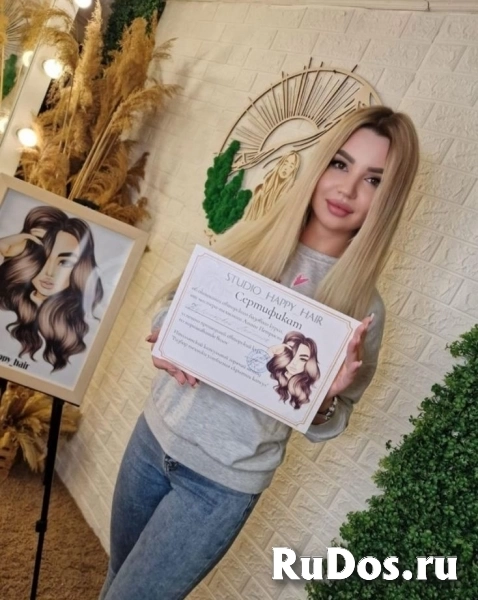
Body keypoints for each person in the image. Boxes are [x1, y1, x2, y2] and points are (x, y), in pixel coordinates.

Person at [99, 105, 419, 600]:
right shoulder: (253, 238)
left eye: (374, 179)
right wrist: (166, 336)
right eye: (340, 164)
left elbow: (333, 420)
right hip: (152, 438)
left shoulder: (363, 309)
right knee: (115, 579)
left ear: (389, 197)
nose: (347, 189)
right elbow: (174, 304)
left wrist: (322, 399)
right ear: (320, 167)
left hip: (219, 486)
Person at [0, 205, 103, 371]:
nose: (49, 272)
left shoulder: (77, 322)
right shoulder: (7, 304)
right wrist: (4, 245)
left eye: (64, 262)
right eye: (43, 257)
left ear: (79, 268)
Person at [267, 331, 320, 409]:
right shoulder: (274, 377)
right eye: (292, 355)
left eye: (302, 359)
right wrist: (272, 350)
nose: (294, 363)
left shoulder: (310, 388)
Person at [243, 151, 301, 221]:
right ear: (280, 164)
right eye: (285, 163)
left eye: (291, 166)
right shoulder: (261, 190)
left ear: (293, 171)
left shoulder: (287, 196)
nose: (286, 168)